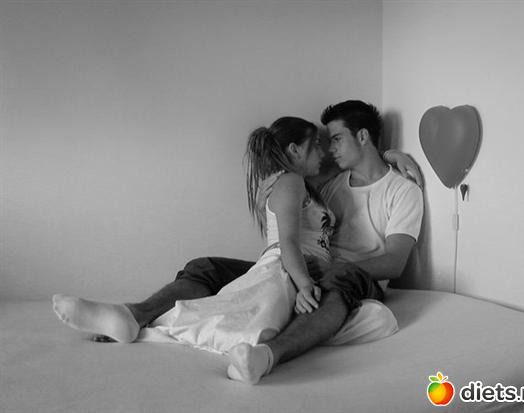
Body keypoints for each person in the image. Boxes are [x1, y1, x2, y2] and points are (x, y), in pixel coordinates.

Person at [53, 116, 347, 352]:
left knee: (204, 267)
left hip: (291, 263)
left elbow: (333, 174)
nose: (324, 152)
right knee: (207, 270)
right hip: (296, 264)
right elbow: (288, 243)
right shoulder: (291, 181)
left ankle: (136, 318)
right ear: (295, 150)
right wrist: (305, 284)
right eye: (316, 145)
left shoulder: (296, 183)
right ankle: (134, 316)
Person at [225, 100, 423, 384]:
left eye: (337, 139)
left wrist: (329, 271)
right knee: (209, 268)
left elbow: (394, 263)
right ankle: (160, 319)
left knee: (347, 290)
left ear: (363, 136)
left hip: (353, 278)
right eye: (327, 142)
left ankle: (267, 355)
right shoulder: (331, 186)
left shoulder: (403, 191)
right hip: (316, 269)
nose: (330, 149)